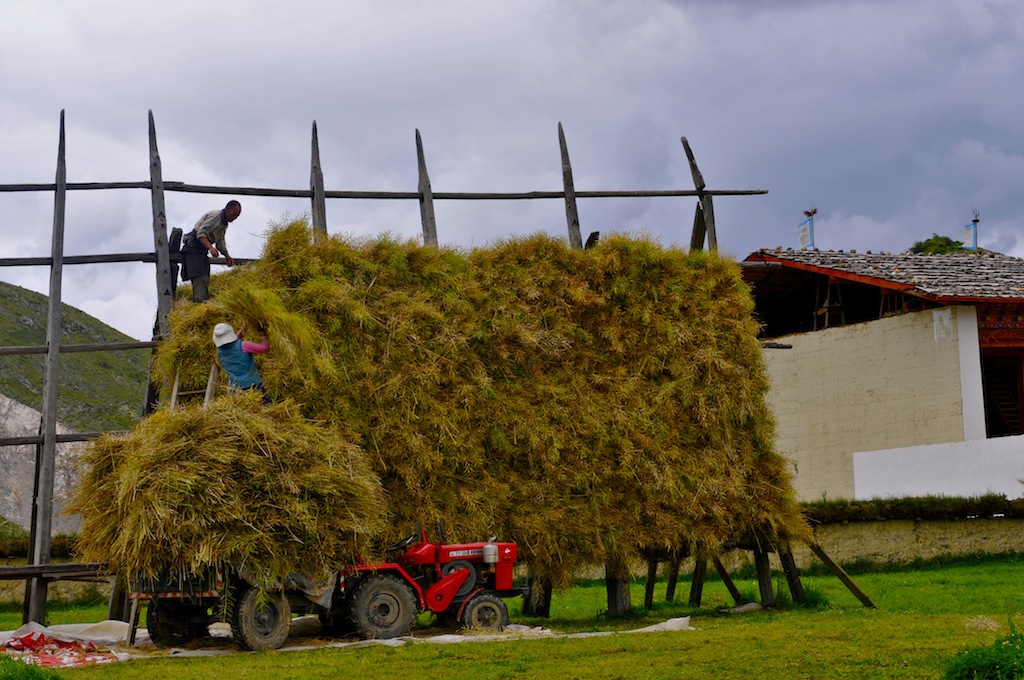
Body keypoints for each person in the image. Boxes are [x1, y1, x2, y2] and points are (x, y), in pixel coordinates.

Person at [180, 200, 241, 302]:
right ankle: (199, 303)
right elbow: (200, 234)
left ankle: (201, 301)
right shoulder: (216, 217)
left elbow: (220, 241)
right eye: (234, 214)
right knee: (200, 276)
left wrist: (227, 256)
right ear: (227, 209)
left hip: (201, 251)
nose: (235, 218)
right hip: (193, 248)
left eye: (237, 216)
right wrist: (210, 248)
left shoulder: (223, 223)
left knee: (205, 276)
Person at [212, 322, 270, 403]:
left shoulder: (219, 352)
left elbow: (233, 343)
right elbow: (264, 348)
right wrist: (263, 336)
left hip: (235, 387)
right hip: (252, 385)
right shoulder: (244, 346)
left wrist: (243, 329)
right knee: (266, 404)